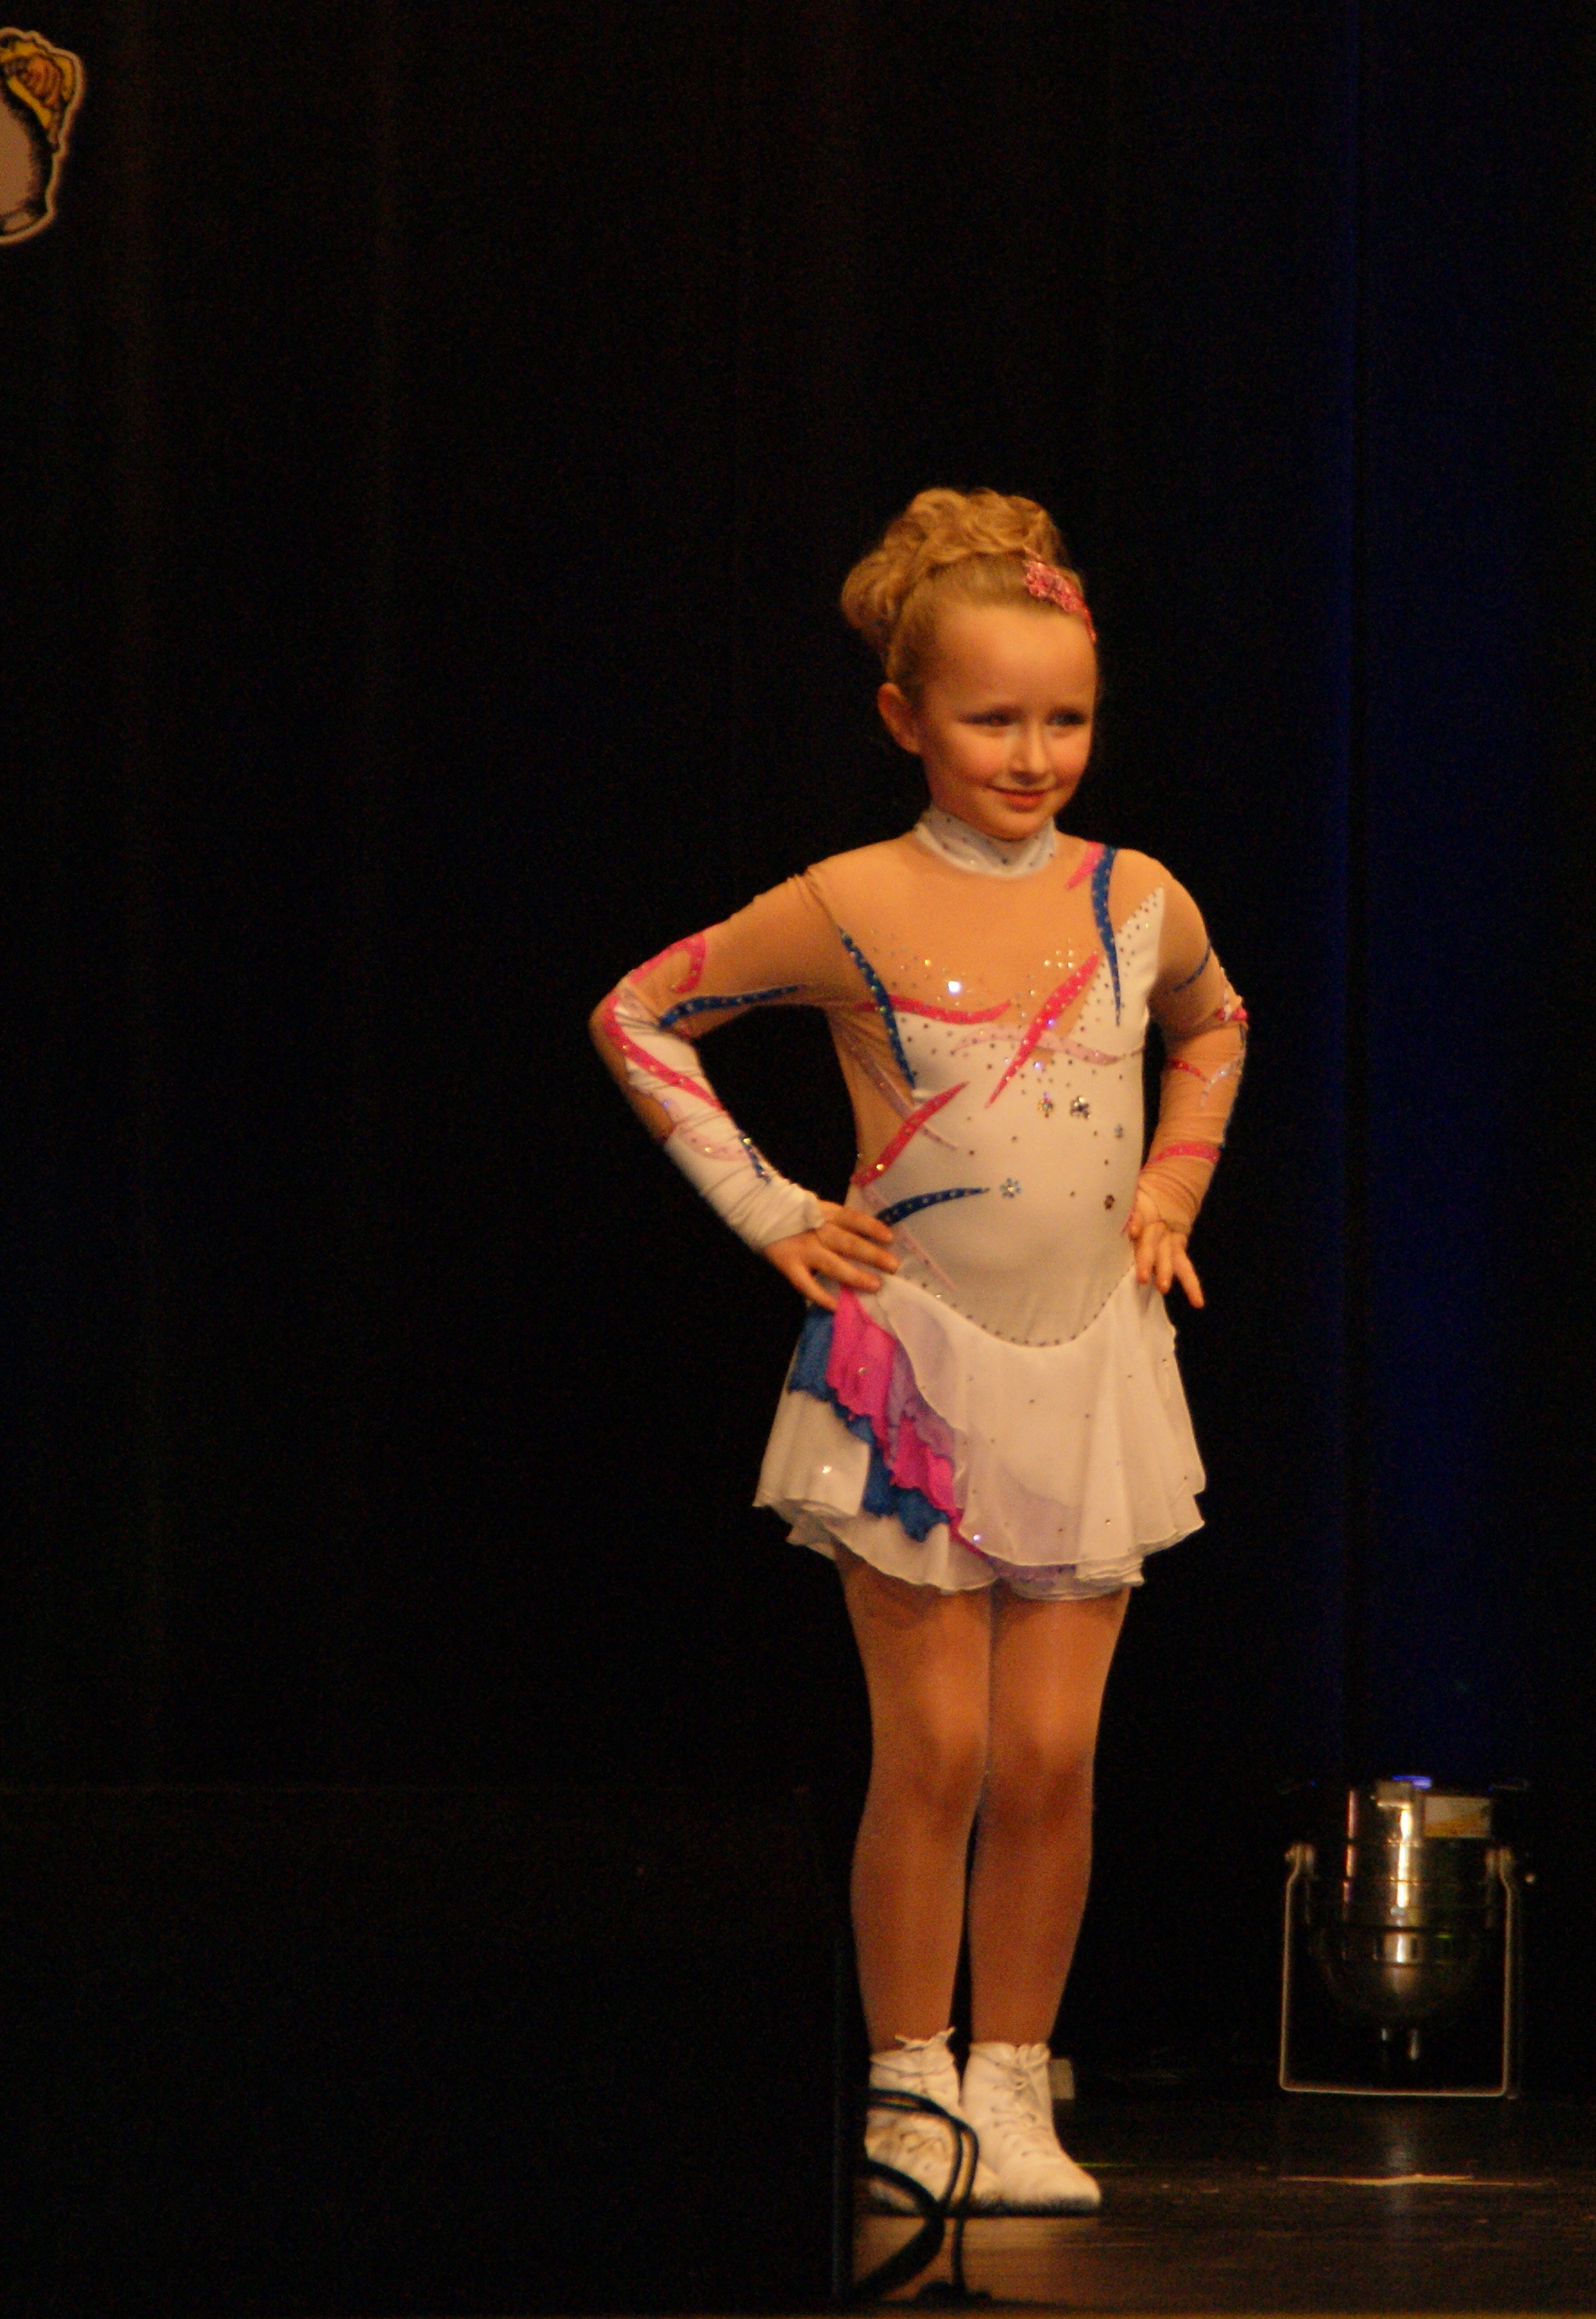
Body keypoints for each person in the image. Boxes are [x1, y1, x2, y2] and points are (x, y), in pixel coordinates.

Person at [590, 490, 1246, 2213]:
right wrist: (770, 1209)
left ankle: (1015, 2087)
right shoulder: (851, 901)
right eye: (991, 719)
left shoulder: (1135, 898)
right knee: (940, 1752)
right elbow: (639, 1014)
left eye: (1066, 720)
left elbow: (1215, 1022)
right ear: (904, 717)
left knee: (1049, 1760)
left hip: (1087, 1365)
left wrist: (1173, 1189)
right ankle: (910, 2089)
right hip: (915, 1368)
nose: (1033, 756)